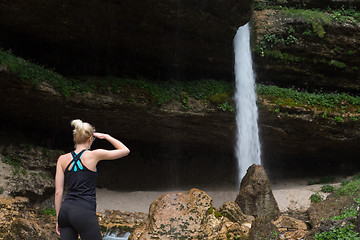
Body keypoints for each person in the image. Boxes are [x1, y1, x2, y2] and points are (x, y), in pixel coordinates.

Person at [55, 119, 130, 239]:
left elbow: (58, 192)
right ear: (90, 139)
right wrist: (106, 136)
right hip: (83, 211)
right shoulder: (94, 155)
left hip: (65, 211)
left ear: (75, 138)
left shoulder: (62, 159)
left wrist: (58, 218)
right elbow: (125, 150)